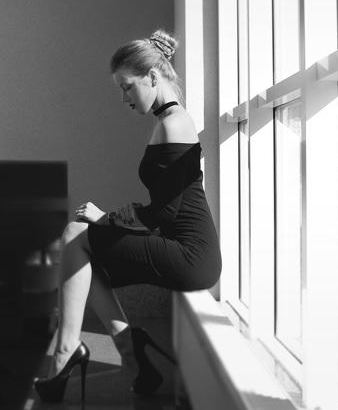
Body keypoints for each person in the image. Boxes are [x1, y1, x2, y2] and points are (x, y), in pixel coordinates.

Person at [34, 30, 222, 403]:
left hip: (190, 255)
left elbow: (163, 213)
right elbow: (164, 208)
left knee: (74, 237)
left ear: (152, 77)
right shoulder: (170, 121)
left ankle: (70, 350)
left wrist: (106, 219)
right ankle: (132, 356)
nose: (125, 98)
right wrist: (108, 223)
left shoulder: (173, 124)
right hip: (181, 246)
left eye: (127, 87)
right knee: (81, 255)